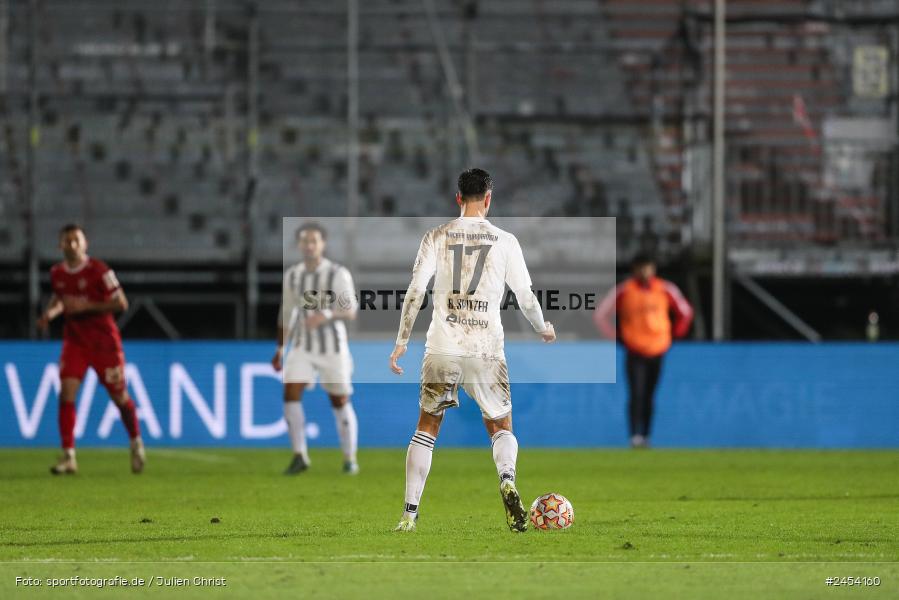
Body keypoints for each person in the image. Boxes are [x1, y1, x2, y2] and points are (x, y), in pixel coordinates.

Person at [389, 168, 556, 532]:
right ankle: (507, 478)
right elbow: (525, 295)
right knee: (500, 425)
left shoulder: (437, 236)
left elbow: (416, 292)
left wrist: (402, 341)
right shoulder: (506, 241)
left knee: (427, 426)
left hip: (443, 345)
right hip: (486, 347)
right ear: (489, 198)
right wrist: (542, 326)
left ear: (458, 198)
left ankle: (409, 514)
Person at [37, 224, 145, 475]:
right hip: (75, 341)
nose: (72, 245)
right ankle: (69, 456)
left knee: (120, 398)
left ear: (85, 243)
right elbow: (61, 299)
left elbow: (121, 303)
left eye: (76, 240)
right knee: (66, 394)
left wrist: (85, 307)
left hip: (103, 343)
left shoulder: (99, 270)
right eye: (67, 241)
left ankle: (136, 441)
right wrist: (50, 314)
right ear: (60, 245)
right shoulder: (57, 273)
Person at [273, 222, 360, 475]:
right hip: (301, 344)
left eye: (314, 241)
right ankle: (299, 455)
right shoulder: (292, 275)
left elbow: (351, 309)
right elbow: (286, 314)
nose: (309, 245)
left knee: (340, 399)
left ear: (322, 244)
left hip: (332, 346)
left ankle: (349, 458)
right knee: (290, 391)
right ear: (299, 245)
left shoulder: (337, 273)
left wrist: (325, 314)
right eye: (305, 241)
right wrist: (280, 348)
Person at [594, 254, 693, 448]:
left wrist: (674, 335)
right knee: (636, 393)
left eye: (648, 267)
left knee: (649, 394)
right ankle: (634, 436)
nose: (644, 271)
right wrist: (616, 337)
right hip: (635, 350)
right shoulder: (625, 290)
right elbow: (600, 315)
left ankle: (646, 435)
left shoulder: (665, 289)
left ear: (653, 268)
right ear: (634, 269)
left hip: (658, 349)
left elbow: (686, 312)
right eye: (641, 267)